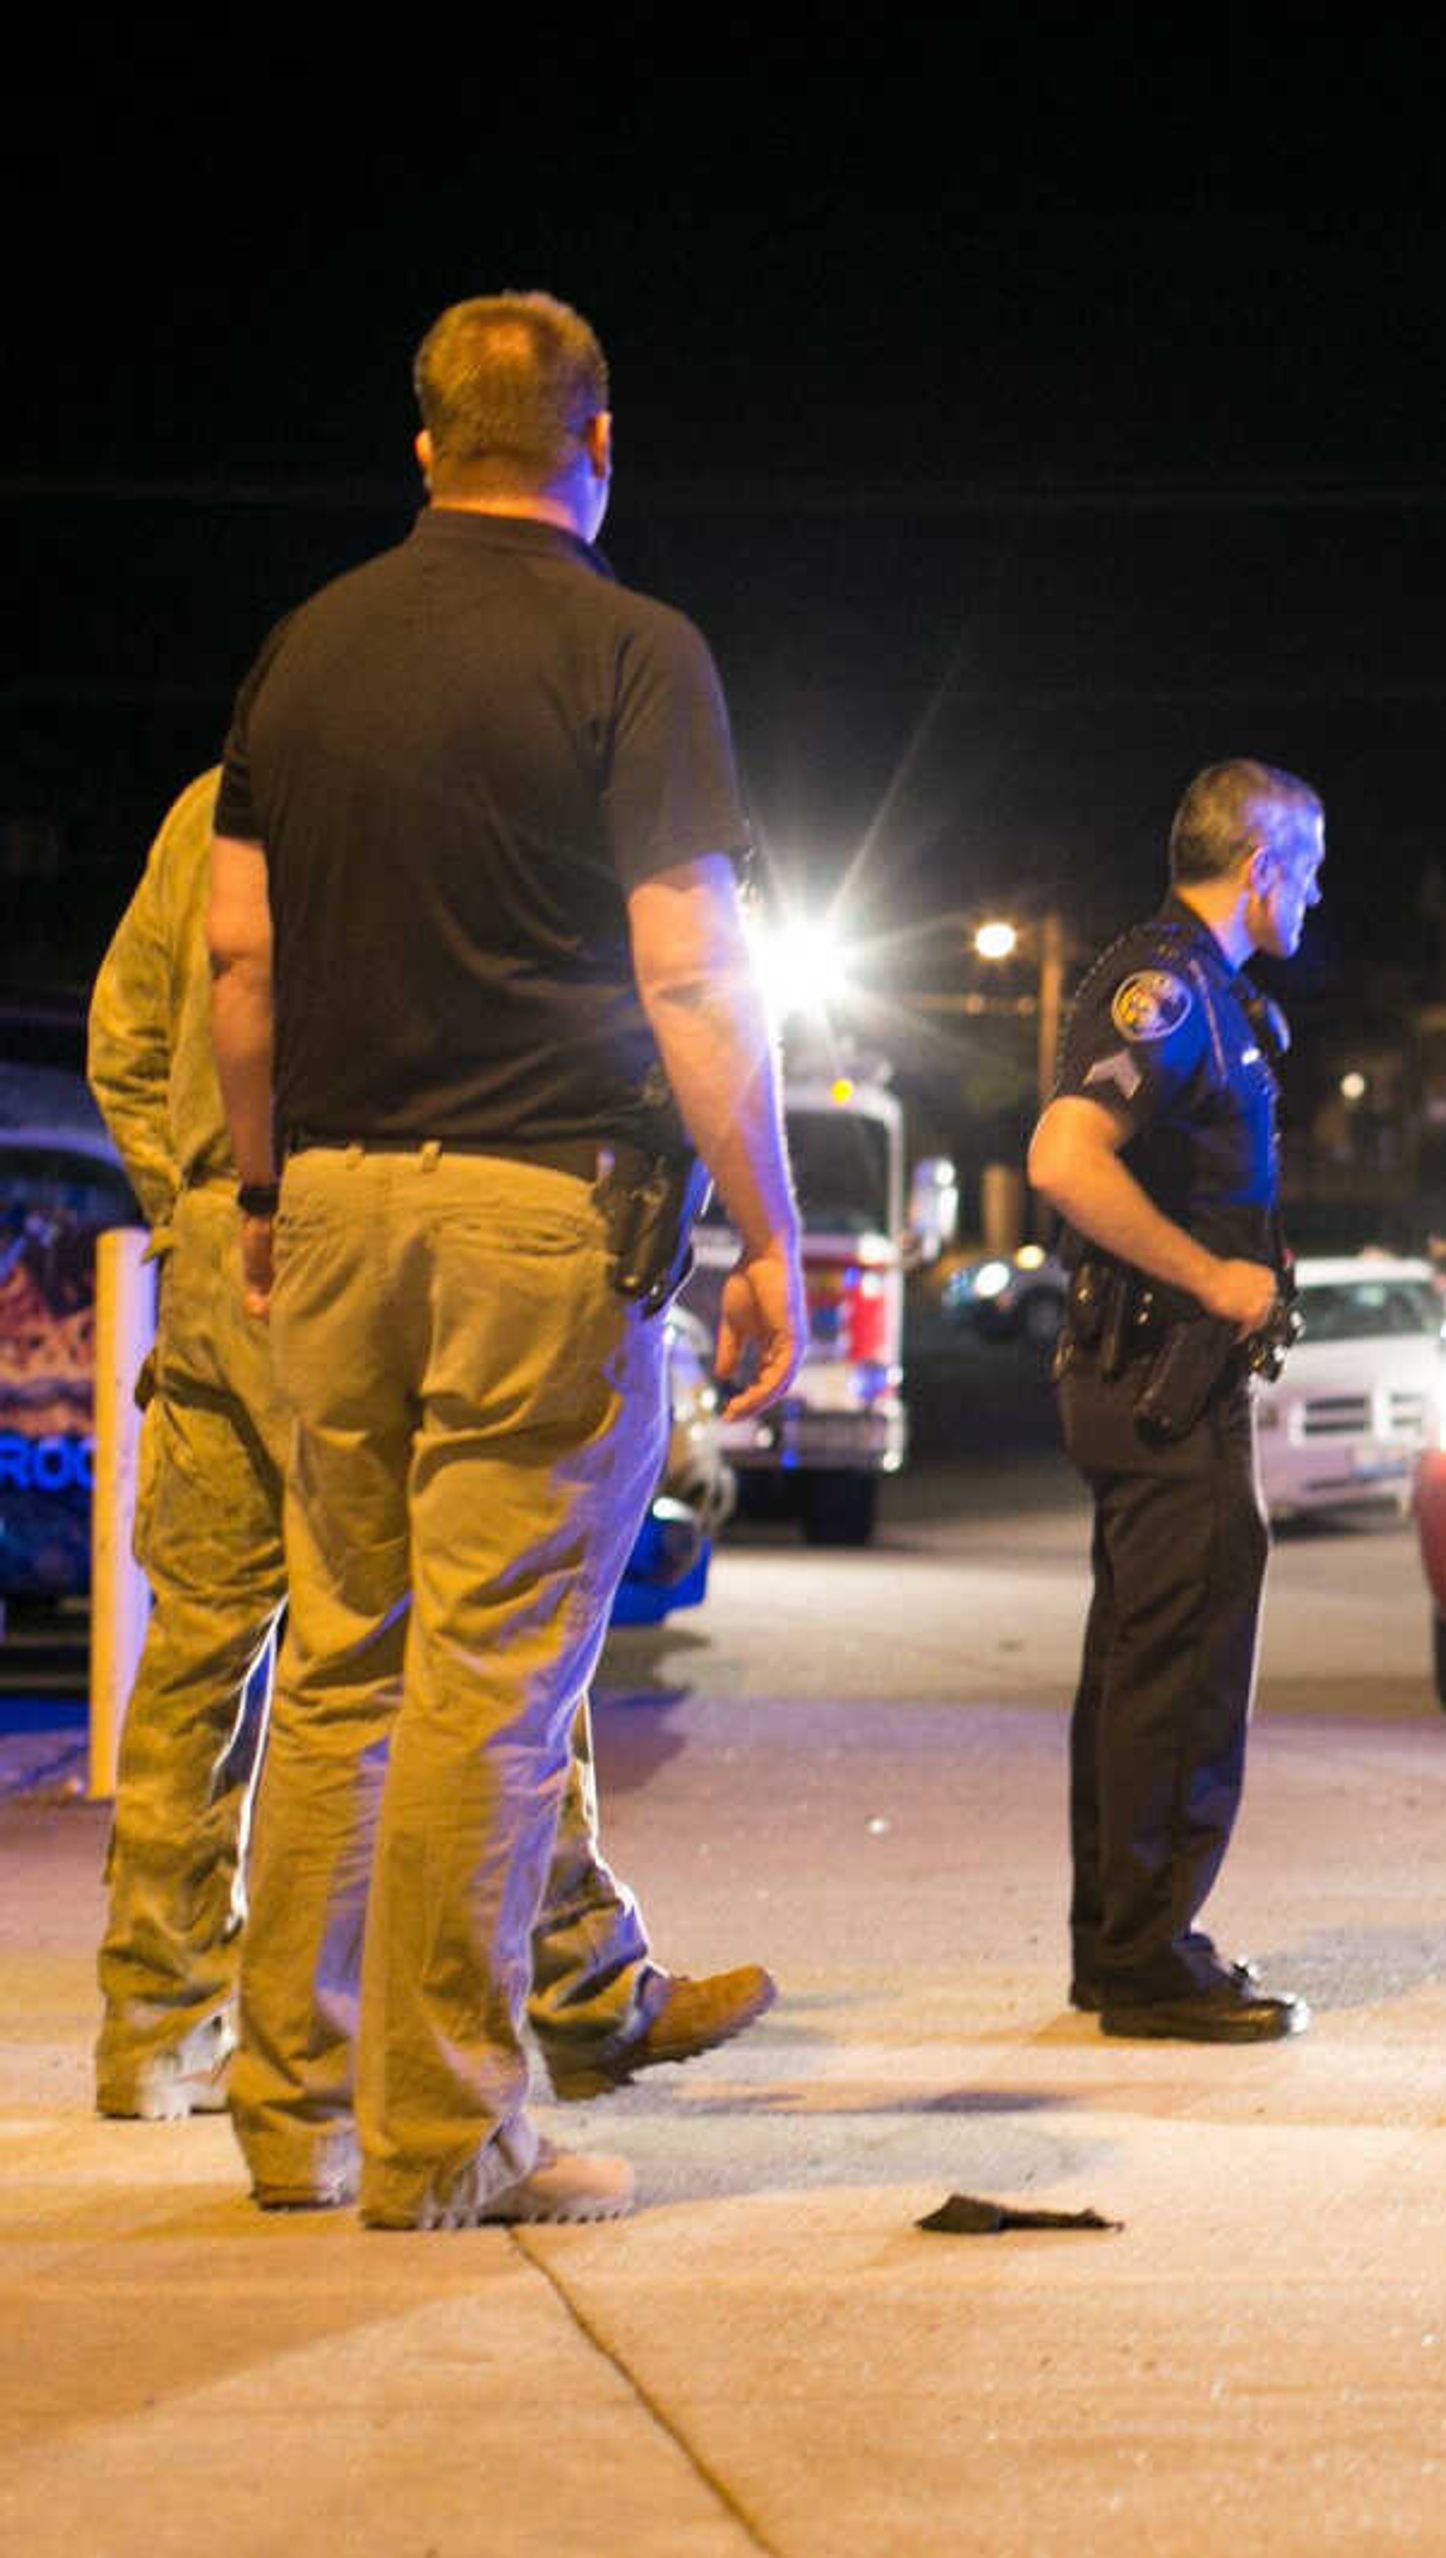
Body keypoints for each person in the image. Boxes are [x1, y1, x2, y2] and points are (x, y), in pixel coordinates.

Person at [207, 291, 804, 2227]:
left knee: (339, 1670)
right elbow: (693, 967)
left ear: (421, 451)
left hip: (345, 1205)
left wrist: (264, 1185)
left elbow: (240, 954)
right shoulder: (635, 650)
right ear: (602, 445)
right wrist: (773, 1230)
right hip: (544, 1214)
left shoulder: (305, 647)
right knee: (489, 1691)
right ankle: (446, 2136)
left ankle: (290, 2114)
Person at [86, 771, 776, 2125]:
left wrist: (192, 1213)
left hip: (220, 1265)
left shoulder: (203, 810)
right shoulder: (402, 803)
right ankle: (582, 1987)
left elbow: (122, 1042)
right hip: (335, 1237)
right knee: (496, 1614)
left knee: (198, 1658)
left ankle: (156, 2026)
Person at [1026, 761, 1326, 2042]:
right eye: (1309, 866)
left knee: (1143, 1666)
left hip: (1147, 1375)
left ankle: (1124, 1942)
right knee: (1180, 1669)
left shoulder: (1210, 993)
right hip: (1162, 1379)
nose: (1316, 892)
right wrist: (1212, 1275)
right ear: (1259, 865)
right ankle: (1149, 1958)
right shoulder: (1170, 986)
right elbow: (1063, 1156)